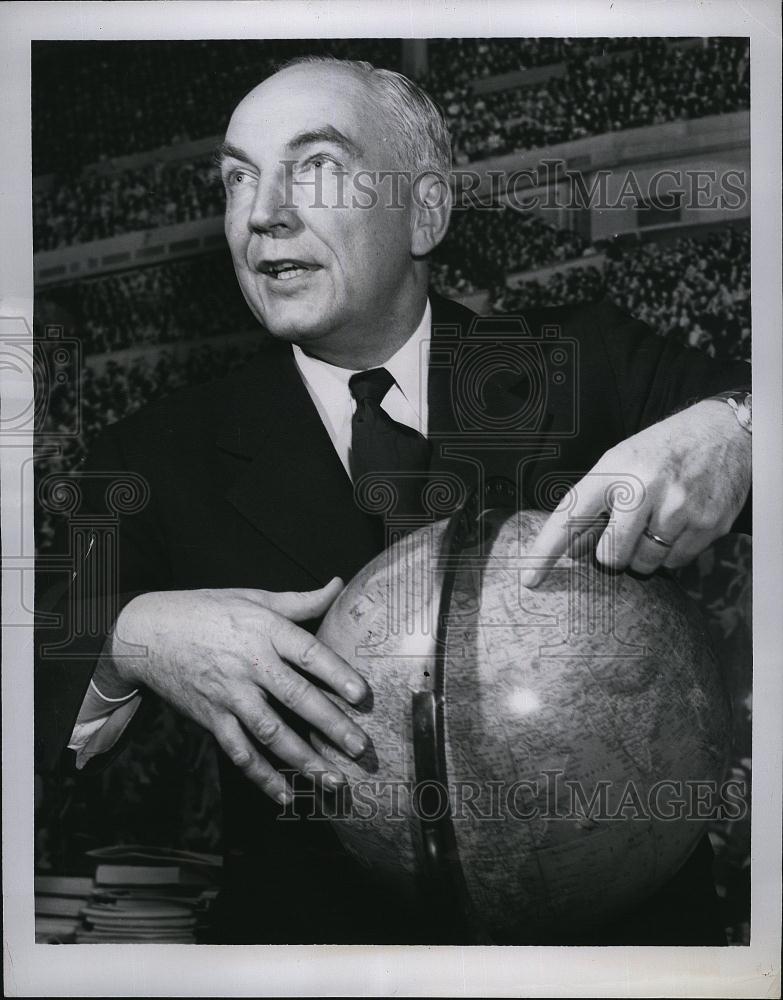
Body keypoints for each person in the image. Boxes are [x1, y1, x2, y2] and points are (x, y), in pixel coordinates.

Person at [35, 56, 751, 945]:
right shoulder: (149, 453)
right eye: (236, 178)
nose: (262, 213)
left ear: (425, 209)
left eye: (319, 166)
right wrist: (128, 638)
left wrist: (738, 429)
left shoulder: (585, 363)